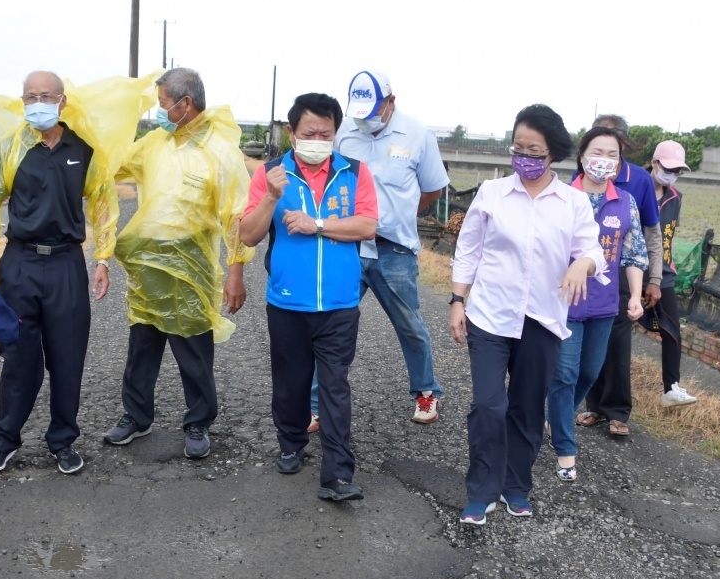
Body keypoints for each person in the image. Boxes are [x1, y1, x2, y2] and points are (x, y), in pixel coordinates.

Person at [450, 105, 605, 525]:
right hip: (489, 314)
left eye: (533, 149)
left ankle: (516, 486)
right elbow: (469, 249)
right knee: (488, 405)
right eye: (517, 147)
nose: (524, 156)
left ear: (552, 152)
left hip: (543, 319)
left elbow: (593, 251)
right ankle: (480, 491)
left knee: (526, 407)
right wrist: (457, 300)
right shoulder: (492, 193)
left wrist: (582, 264)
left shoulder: (573, 202)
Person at [0, 71, 124, 475]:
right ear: (23, 102)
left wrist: (103, 259)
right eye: (30, 96)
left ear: (62, 102)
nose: (37, 103)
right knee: (18, 357)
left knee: (67, 359)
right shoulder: (11, 148)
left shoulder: (85, 151)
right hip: (19, 263)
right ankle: (4, 440)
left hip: (67, 264)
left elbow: (104, 204)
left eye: (45, 96)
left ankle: (63, 441)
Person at [102, 68, 255, 459]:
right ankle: (135, 416)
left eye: (163, 104)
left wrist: (235, 271)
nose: (159, 112)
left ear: (185, 104)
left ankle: (199, 421)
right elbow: (109, 168)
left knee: (194, 351)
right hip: (148, 270)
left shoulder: (219, 153)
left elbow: (236, 216)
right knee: (142, 347)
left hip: (192, 271)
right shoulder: (154, 143)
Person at [239, 93, 378, 502]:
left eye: (326, 133)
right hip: (287, 303)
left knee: (335, 386)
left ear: (336, 132)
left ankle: (336, 475)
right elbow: (247, 235)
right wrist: (270, 198)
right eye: (309, 133)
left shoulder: (354, 172)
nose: (318, 140)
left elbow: (367, 226)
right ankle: (291, 441)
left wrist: (318, 224)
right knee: (290, 383)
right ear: (291, 133)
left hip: (339, 304)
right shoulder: (270, 174)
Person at [305, 70, 449, 430]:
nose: (365, 119)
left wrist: (402, 214)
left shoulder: (418, 136)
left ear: (390, 102)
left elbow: (432, 190)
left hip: (393, 251)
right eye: (360, 112)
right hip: (348, 246)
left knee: (409, 325)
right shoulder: (345, 134)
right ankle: (315, 404)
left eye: (372, 111)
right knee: (330, 325)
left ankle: (426, 391)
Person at [546, 126, 648, 481]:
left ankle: (555, 418)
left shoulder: (625, 202)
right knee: (565, 374)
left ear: (620, 164)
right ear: (582, 156)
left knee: (589, 374)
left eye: (613, 156)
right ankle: (565, 447)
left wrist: (635, 296)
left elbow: (634, 254)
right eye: (598, 152)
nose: (604, 161)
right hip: (565, 303)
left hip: (605, 306)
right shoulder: (559, 196)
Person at [579, 113, 664, 438]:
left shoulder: (639, 180)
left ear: (622, 146)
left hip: (620, 279)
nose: (602, 158)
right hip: (580, 283)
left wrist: (652, 279)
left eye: (610, 148)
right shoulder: (581, 176)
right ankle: (594, 406)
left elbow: (649, 235)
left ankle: (617, 411)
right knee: (587, 351)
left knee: (616, 347)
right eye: (595, 148)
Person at [641, 140, 699, 408]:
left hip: (662, 273)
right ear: (654, 163)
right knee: (613, 332)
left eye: (678, 170)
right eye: (668, 167)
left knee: (672, 329)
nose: (672, 174)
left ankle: (671, 388)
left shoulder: (675, 198)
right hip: (630, 270)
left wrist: (668, 265)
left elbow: (669, 236)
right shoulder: (635, 189)